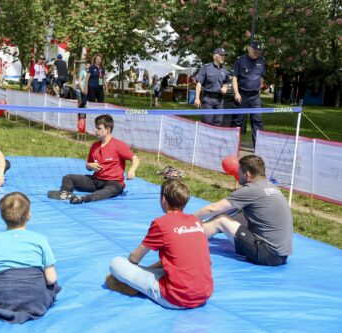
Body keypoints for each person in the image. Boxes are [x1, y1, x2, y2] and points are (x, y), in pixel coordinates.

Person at [106, 179, 213, 309]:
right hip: (204, 294)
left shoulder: (161, 223)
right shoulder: (195, 221)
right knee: (174, 263)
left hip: (176, 298)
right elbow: (177, 258)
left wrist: (128, 273)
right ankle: (139, 281)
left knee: (116, 262)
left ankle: (132, 285)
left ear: (163, 200)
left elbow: (135, 257)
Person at [0, 192, 61, 323]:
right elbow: (51, 279)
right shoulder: (40, 239)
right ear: (28, 215)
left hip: (3, 299)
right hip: (36, 299)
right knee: (48, 282)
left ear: (2, 216)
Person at [194, 155, 293, 266]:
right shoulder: (270, 186)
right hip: (281, 255)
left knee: (220, 220)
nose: (237, 175)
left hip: (267, 255)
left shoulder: (251, 190)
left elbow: (213, 209)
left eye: (239, 171)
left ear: (247, 174)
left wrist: (189, 220)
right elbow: (229, 210)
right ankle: (196, 232)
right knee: (228, 217)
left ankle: (185, 236)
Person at [47, 114, 139, 204]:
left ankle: (83, 198)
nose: (95, 130)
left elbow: (135, 158)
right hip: (96, 180)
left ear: (108, 130)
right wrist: (89, 165)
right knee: (68, 177)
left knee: (110, 190)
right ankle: (65, 194)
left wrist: (132, 170)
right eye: (96, 128)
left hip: (113, 183)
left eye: (99, 128)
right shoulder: (95, 146)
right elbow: (88, 165)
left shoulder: (118, 145)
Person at [231, 41, 266, 147]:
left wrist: (260, 88)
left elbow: (261, 77)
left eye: (258, 52)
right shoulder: (240, 60)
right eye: (255, 51)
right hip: (242, 95)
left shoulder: (262, 61)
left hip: (255, 97)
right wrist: (236, 93)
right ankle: (232, 146)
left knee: (257, 121)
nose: (257, 54)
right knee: (237, 121)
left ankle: (258, 147)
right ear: (249, 49)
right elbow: (234, 77)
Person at [194, 48, 230, 126]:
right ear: (214, 56)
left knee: (218, 123)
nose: (223, 57)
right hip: (207, 99)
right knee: (207, 122)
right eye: (221, 55)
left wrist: (224, 87)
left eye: (224, 56)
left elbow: (225, 83)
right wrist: (197, 98)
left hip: (219, 100)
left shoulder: (224, 70)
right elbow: (199, 83)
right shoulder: (206, 68)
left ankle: (215, 138)